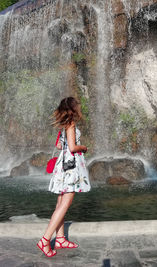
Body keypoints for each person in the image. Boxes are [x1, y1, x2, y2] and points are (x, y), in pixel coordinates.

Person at [37, 97, 91, 257]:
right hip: (71, 167)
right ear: (73, 108)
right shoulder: (71, 124)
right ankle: (45, 240)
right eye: (78, 106)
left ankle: (60, 238)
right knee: (65, 204)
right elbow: (73, 148)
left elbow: (60, 146)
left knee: (60, 203)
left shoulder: (64, 125)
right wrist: (84, 147)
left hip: (63, 165)